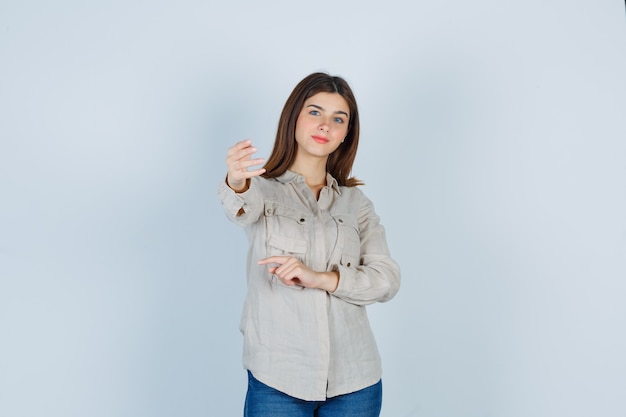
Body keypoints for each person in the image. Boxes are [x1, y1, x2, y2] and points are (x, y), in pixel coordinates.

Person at [218, 72, 400, 417]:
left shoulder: (355, 204)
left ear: (347, 133)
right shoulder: (262, 190)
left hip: (355, 380)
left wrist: (320, 278)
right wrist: (236, 180)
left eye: (338, 118)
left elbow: (387, 279)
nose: (325, 125)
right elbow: (241, 206)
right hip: (278, 378)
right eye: (315, 112)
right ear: (294, 118)